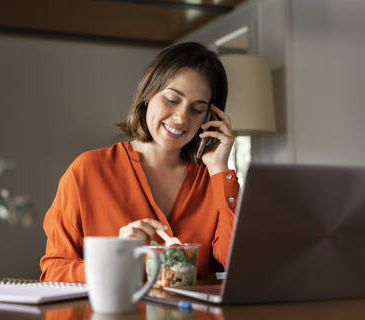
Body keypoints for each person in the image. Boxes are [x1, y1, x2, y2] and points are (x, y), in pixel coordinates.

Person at [40, 42, 239, 283]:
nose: (181, 118)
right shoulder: (87, 171)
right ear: (147, 94)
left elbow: (237, 262)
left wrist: (219, 169)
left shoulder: (211, 179)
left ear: (210, 118)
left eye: (197, 109)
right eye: (172, 100)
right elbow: (53, 273)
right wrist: (118, 259)